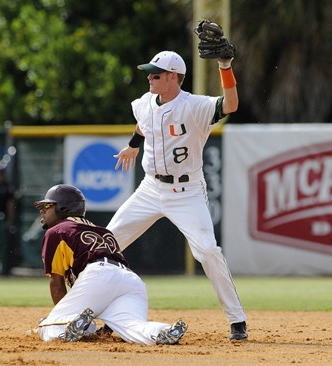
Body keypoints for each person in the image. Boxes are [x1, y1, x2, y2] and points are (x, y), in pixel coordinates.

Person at [106, 48, 248, 340]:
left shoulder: (194, 106)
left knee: (208, 251)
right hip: (150, 188)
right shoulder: (145, 103)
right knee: (106, 243)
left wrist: (225, 66)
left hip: (186, 191)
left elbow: (231, 105)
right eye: (148, 73)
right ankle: (103, 312)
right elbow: (143, 124)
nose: (149, 78)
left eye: (155, 74)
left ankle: (237, 320)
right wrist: (133, 144)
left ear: (173, 78)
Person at [34, 184, 187, 345]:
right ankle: (161, 332)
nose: (42, 210)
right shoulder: (103, 231)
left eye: (47, 205)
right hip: (131, 281)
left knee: (48, 327)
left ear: (62, 208)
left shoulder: (57, 231)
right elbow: (110, 287)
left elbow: (57, 285)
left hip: (98, 275)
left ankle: (80, 326)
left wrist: (62, 315)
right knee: (132, 327)